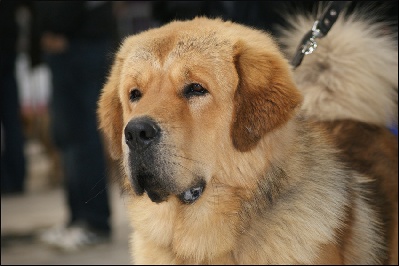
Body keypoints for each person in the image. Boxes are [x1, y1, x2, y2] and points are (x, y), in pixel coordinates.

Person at [35, 1, 118, 251]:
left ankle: (93, 222)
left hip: (79, 43)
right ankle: (76, 219)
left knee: (83, 137)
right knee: (68, 135)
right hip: (73, 43)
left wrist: (55, 29)